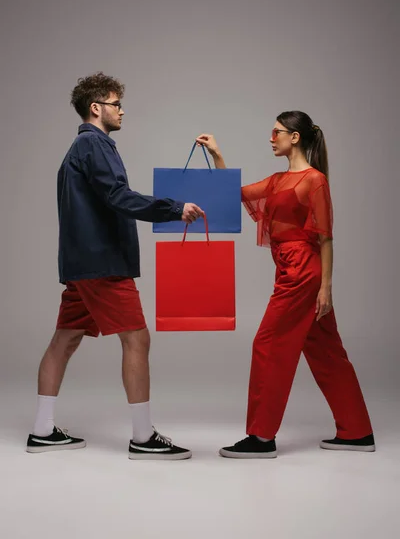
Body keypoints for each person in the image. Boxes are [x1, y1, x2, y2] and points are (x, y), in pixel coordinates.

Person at [26, 72, 204, 460]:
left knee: (65, 340)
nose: (122, 110)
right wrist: (175, 208)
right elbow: (118, 196)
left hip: (80, 264)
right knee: (137, 339)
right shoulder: (95, 144)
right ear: (96, 108)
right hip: (103, 264)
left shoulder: (79, 148)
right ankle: (143, 437)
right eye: (116, 103)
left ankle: (42, 430)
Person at [196, 111, 375, 458]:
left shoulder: (314, 181)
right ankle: (357, 431)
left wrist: (326, 288)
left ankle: (261, 438)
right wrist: (218, 155)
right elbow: (235, 193)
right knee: (328, 353)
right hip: (288, 268)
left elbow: (325, 239)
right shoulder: (278, 180)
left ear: (295, 137)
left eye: (277, 131)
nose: (271, 137)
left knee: (268, 344)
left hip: (304, 274)